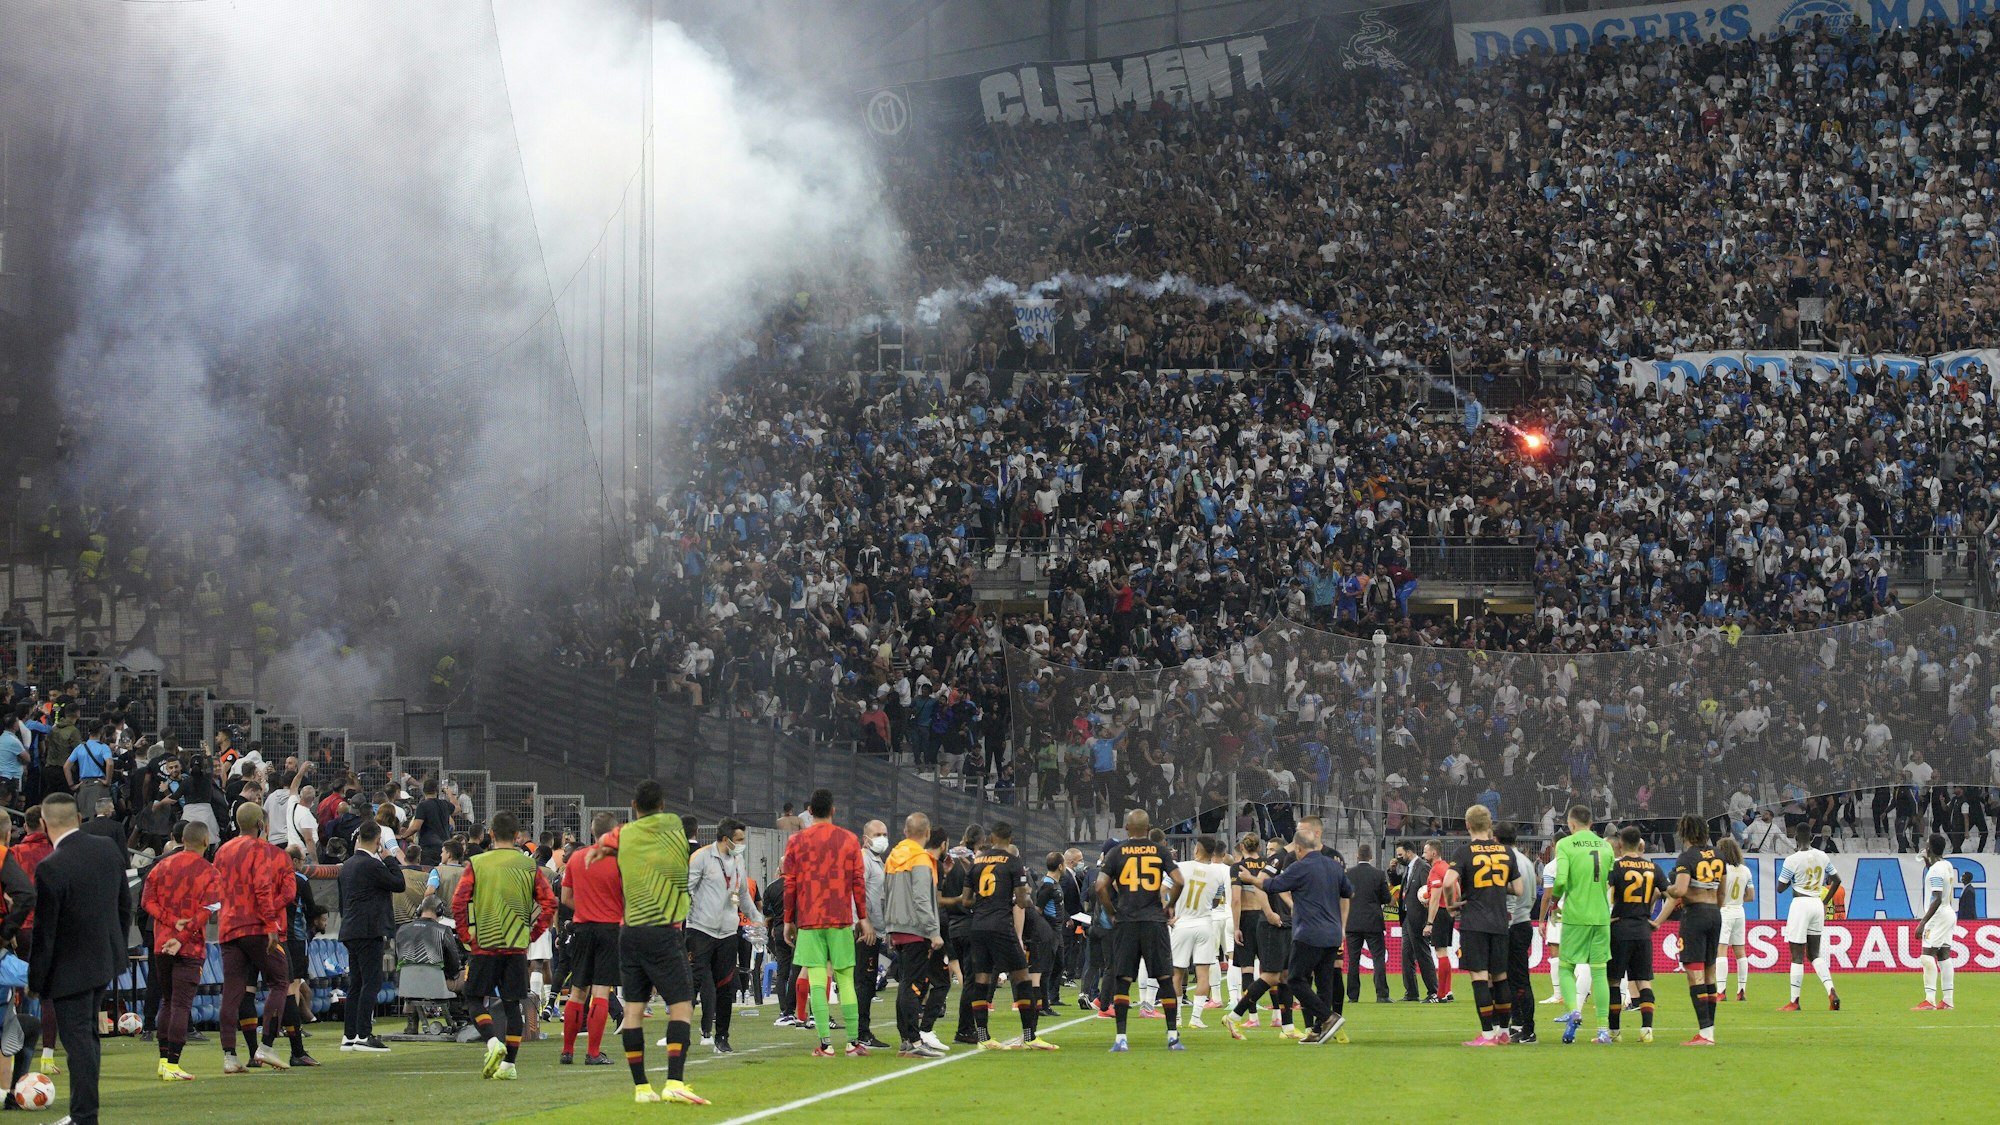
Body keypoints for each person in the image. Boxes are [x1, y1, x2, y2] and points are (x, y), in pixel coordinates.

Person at [591, 780, 701, 1105]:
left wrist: (602, 849)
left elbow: (605, 841)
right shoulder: (673, 826)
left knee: (633, 1010)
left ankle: (641, 1088)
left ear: (633, 806)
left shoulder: (624, 834)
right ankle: (674, 1082)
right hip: (663, 930)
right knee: (681, 1006)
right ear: (663, 805)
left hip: (630, 931)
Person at [29, 794, 124, 1125]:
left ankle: (84, 1116)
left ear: (44, 824)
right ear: (79, 818)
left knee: (79, 1040)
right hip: (104, 960)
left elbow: (45, 932)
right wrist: (115, 948)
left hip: (69, 968)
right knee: (88, 1037)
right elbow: (124, 904)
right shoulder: (107, 849)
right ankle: (82, 1113)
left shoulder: (50, 867)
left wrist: (36, 981)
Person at [451, 811, 557, 1083]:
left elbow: (459, 901)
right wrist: (532, 934)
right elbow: (549, 903)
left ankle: (491, 1042)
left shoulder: (477, 863)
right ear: (517, 836)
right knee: (512, 1005)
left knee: (474, 999)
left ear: (491, 834)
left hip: (484, 944)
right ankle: (509, 1064)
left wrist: (466, 935)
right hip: (516, 946)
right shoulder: (529, 866)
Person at [780, 788, 873, 1059]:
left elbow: (790, 884)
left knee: (817, 982)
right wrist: (863, 918)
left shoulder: (796, 841)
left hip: (810, 920)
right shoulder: (849, 839)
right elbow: (858, 882)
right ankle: (853, 1042)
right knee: (845, 980)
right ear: (833, 810)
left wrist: (788, 920)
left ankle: (825, 1045)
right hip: (841, 919)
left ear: (809, 811)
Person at [213, 802, 296, 1073]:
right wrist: (271, 925)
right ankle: (266, 1045)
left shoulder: (222, 850)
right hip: (256, 926)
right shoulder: (261, 849)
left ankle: (230, 1056)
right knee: (280, 981)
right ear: (261, 824)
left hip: (228, 926)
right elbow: (261, 887)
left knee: (232, 991)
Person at [1253, 818, 1352, 1045]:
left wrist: (1344, 926)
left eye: (1301, 830)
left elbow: (1274, 885)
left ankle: (1329, 1019)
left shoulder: (1323, 858)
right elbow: (1347, 893)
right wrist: (1294, 905)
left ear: (1315, 833)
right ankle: (1316, 1028)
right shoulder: (1321, 861)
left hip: (1310, 931)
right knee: (1319, 980)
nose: (1296, 835)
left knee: (1305, 978)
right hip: (1325, 930)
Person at [1096, 809, 1183, 1052]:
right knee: (1165, 978)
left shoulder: (1116, 852)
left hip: (1127, 922)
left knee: (1123, 979)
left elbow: (1100, 886)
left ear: (1126, 828)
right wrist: (1170, 905)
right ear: (1148, 828)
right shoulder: (1160, 850)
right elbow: (1179, 881)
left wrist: (1112, 912)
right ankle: (1173, 1037)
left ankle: (1121, 1038)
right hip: (1154, 921)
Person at [961, 821, 1048, 1050]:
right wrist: (1018, 896)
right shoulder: (1013, 861)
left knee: (981, 979)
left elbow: (966, 900)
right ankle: (1029, 1037)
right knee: (1022, 977)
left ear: (991, 838)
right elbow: (1022, 901)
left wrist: (985, 902)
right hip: (1001, 926)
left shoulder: (977, 861)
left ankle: (983, 1038)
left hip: (978, 926)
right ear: (1010, 839)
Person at [1442, 805, 1522, 1046]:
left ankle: (1487, 1035)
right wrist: (1497, 888)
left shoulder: (1464, 852)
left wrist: (1451, 904)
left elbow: (1448, 882)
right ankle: (1504, 1032)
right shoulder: (1506, 852)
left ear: (1467, 825)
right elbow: (1519, 889)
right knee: (1500, 976)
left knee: (1479, 976)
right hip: (1499, 921)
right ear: (1489, 825)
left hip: (1474, 922)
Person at [687, 817, 761, 1056]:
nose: (742, 844)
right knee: (692, 984)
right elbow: (686, 889)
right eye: (739, 839)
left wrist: (756, 917)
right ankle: (679, 1035)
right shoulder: (701, 857)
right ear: (725, 838)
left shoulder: (738, 860)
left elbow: (743, 895)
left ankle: (722, 1038)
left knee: (725, 986)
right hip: (701, 930)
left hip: (728, 932)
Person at [337, 816, 406, 1052]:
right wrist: (389, 858)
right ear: (378, 841)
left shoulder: (347, 866)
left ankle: (349, 1035)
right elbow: (399, 883)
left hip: (350, 929)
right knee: (372, 982)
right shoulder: (373, 865)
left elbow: (342, 902)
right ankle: (364, 1035)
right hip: (369, 930)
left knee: (356, 983)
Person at [559, 811, 622, 1066]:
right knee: (601, 992)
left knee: (577, 991)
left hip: (582, 928)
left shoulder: (577, 858)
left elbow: (565, 898)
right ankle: (593, 1053)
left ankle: (567, 1051)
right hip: (610, 930)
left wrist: (586, 908)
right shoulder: (621, 860)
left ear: (593, 832)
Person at [1654, 813, 1723, 1045]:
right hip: (1715, 913)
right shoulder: (1718, 854)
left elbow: (1681, 890)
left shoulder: (1687, 857)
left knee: (1694, 973)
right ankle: (1709, 1031)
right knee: (1710, 971)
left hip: (1695, 916)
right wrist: (1713, 909)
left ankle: (1705, 1033)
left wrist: (1666, 888)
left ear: (1684, 832)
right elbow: (1722, 891)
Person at [882, 812, 945, 1058]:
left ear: (905, 832)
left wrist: (888, 927)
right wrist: (933, 932)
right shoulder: (920, 858)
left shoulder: (893, 856)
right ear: (927, 833)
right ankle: (915, 1041)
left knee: (905, 984)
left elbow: (886, 895)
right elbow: (921, 898)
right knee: (912, 985)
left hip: (897, 927)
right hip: (916, 929)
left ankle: (906, 1040)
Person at [1547, 805, 1612, 1044]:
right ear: (1591, 823)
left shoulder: (1565, 844)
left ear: (1571, 824)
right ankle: (1603, 1030)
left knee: (1566, 967)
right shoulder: (1605, 846)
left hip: (1576, 916)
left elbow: (1561, 880)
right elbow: (1609, 880)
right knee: (1600, 972)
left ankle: (1574, 1010)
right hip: (1601, 916)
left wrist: (1554, 900)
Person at [1774, 823, 1838, 1012]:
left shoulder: (1792, 860)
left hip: (1800, 904)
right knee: (1814, 954)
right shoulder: (1822, 856)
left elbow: (1780, 888)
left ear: (1795, 838)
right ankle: (1831, 990)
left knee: (1797, 954)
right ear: (1811, 838)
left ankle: (1794, 1001)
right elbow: (1837, 880)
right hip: (1817, 904)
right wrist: (1825, 901)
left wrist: (1794, 878)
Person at [1169, 835, 1231, 1030]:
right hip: (1205, 923)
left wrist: (1169, 911)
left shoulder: (1181, 867)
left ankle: (1177, 1017)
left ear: (1196, 849)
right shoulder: (1217, 874)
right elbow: (1216, 901)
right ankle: (1195, 1018)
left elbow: (1163, 890)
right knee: (1203, 973)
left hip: (1182, 923)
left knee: (1177, 973)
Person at [1606, 827, 1660, 1044]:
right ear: (1640, 844)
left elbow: (1606, 893)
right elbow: (1667, 892)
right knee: (1643, 981)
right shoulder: (1652, 867)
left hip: (1620, 929)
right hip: (1642, 930)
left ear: (1620, 844)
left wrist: (1607, 918)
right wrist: (1655, 918)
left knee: (1613, 981)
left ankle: (1614, 1032)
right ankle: (1647, 1030)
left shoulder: (1616, 867)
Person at [1495, 822, 1538, 1043]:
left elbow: (1509, 897)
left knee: (1516, 979)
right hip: (1524, 921)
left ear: (1495, 839)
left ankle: (1528, 1029)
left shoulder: (1506, 861)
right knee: (1516, 978)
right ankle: (1518, 1024)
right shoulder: (1526, 861)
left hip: (1512, 924)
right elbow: (1533, 895)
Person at [853, 818, 889, 1050]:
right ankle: (861, 1032)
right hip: (866, 932)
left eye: (884, 834)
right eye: (877, 834)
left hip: (876, 930)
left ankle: (861, 1031)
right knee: (864, 983)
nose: (882, 838)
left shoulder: (877, 860)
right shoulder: (863, 859)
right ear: (865, 838)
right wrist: (862, 922)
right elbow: (855, 892)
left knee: (869, 982)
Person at [1342, 843, 1391, 1005]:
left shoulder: (1348, 874)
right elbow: (1386, 898)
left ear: (1357, 856)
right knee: (1378, 958)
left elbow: (1343, 895)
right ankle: (1382, 995)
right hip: (1373, 923)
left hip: (1352, 923)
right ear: (1371, 856)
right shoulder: (1378, 874)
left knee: (1353, 960)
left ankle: (1353, 996)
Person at [1916, 834, 1957, 1011]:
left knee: (1926, 956)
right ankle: (1947, 1000)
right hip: (1949, 913)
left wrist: (1923, 922)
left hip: (1938, 916)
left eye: (1927, 844)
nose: (1925, 846)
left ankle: (1929, 1000)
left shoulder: (1935, 871)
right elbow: (1940, 883)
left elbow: (1937, 898)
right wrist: (1928, 862)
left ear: (1930, 848)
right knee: (1944, 956)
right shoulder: (1946, 865)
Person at [1393, 841, 1437, 1003]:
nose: (1398, 858)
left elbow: (1428, 893)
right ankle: (1411, 992)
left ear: (1409, 852)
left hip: (1418, 918)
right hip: (1407, 918)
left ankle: (1433, 991)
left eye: (1400, 854)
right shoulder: (1409, 868)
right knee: (1406, 956)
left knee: (1422, 954)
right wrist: (1392, 871)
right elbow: (1403, 887)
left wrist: (1428, 920)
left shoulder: (1423, 867)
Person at [1716, 837, 1752, 1004]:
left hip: (1725, 911)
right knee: (1740, 952)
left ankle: (1721, 991)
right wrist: (1737, 900)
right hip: (1739, 911)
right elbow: (1751, 896)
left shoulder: (1721, 870)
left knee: (1721, 950)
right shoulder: (1745, 870)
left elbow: (1718, 892)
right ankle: (1741, 990)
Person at [1419, 839, 1455, 1003]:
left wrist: (1429, 923)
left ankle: (1440, 995)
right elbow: (1457, 889)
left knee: (1440, 952)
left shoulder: (1435, 870)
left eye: (1425, 851)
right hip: (1449, 912)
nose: (1423, 855)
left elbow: (1435, 898)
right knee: (1444, 952)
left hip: (1440, 913)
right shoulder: (1447, 867)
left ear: (1433, 853)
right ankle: (1448, 991)